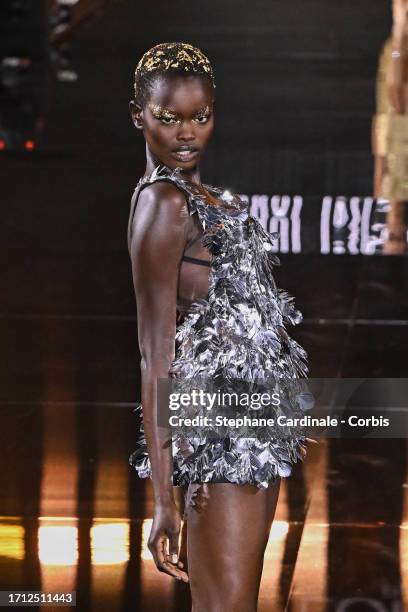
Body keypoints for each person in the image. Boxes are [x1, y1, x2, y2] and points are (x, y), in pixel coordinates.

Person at [127, 42, 311, 611]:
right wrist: (164, 499)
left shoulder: (196, 197)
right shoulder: (162, 204)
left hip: (251, 426)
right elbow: (155, 353)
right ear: (140, 117)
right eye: (170, 117)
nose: (188, 133)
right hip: (220, 433)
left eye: (201, 116)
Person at [373, 0, 408, 253]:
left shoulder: (381, 193)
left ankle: (399, 27)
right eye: (399, 236)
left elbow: (380, 155)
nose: (395, 228)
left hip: (391, 118)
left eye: (391, 235)